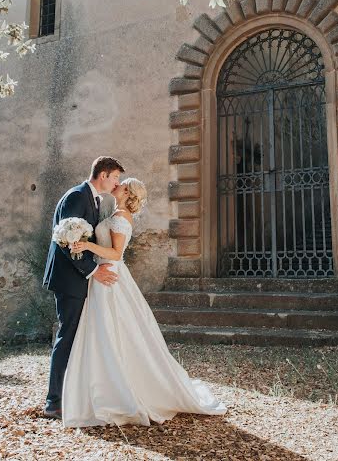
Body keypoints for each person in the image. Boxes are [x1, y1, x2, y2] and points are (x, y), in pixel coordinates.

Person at [62, 178, 227, 427]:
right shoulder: (113, 212)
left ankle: (124, 390)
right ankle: (101, 387)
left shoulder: (123, 216)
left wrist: (87, 244)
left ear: (127, 192)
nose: (115, 184)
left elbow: (117, 253)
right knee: (101, 330)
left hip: (111, 274)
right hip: (101, 274)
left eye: (120, 184)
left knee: (116, 328)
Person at [43, 156, 125, 419]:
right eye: (115, 178)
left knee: (76, 337)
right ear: (103, 174)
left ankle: (73, 393)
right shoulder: (76, 197)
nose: (117, 183)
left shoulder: (94, 199)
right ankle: (54, 402)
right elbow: (66, 240)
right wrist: (93, 270)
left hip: (80, 279)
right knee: (67, 336)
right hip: (69, 279)